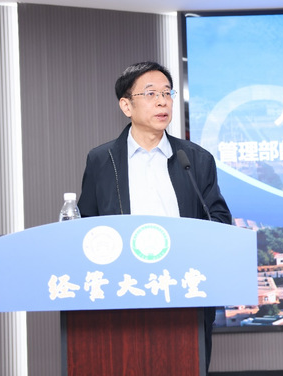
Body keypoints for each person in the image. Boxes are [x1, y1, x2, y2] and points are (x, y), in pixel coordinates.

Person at [77, 61, 232, 373]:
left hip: (184, 292)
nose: (162, 101)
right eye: (150, 94)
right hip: (124, 292)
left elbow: (219, 219)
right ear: (126, 105)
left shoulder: (195, 159)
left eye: (166, 93)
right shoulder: (102, 160)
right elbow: (86, 226)